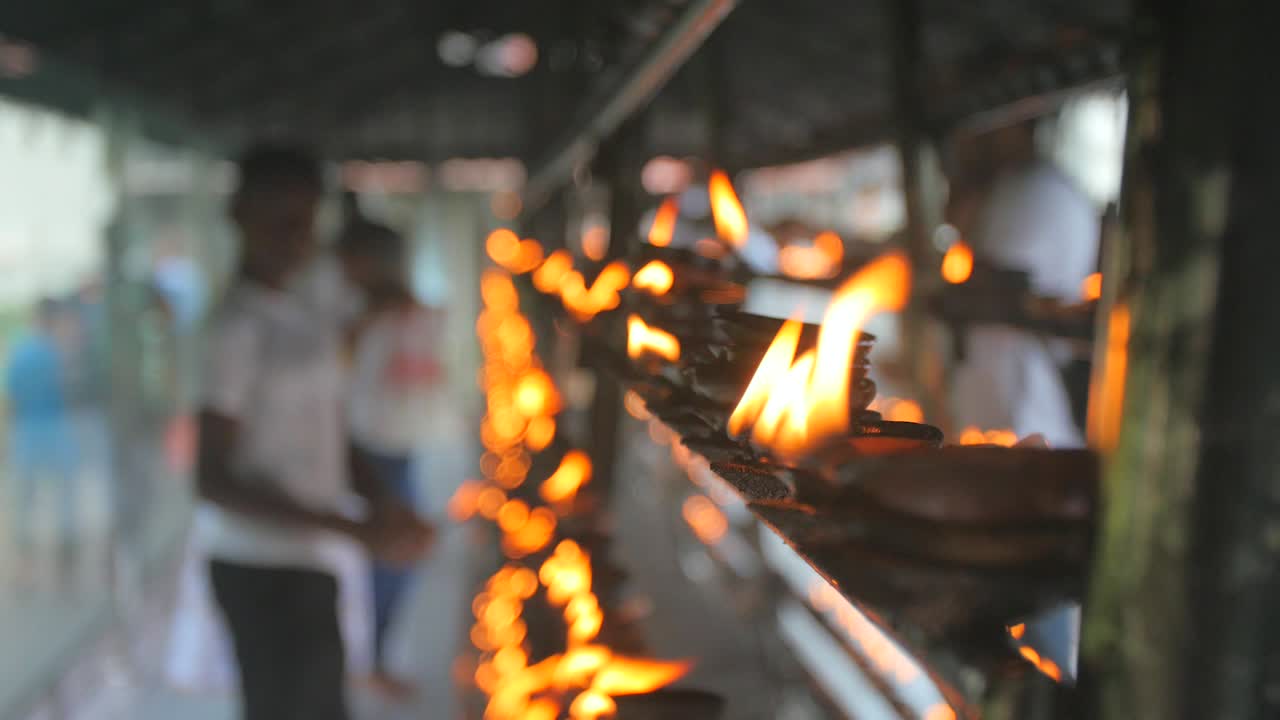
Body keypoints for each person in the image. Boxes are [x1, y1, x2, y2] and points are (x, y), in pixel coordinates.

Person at [196, 143, 433, 720]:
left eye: (303, 220)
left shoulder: (299, 314)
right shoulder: (234, 328)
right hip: (259, 564)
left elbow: (329, 428)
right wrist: (351, 528)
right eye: (276, 218)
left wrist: (380, 502)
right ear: (238, 215)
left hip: (309, 556)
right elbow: (212, 480)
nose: (293, 236)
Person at [337, 211, 447, 700]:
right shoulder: (351, 315)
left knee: (392, 554)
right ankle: (370, 659)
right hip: (366, 446)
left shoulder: (398, 314)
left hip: (392, 445)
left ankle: (373, 656)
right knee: (386, 554)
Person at [945, 118, 1099, 447]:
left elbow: (995, 281)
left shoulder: (1031, 190)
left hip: (1016, 395)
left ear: (1010, 129)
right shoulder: (1035, 186)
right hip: (1010, 392)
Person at [5, 298, 78, 549]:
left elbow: (10, 399)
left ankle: (24, 543)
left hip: (27, 432)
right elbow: (71, 395)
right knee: (64, 491)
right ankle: (67, 541)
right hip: (56, 431)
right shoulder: (59, 353)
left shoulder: (20, 353)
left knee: (26, 493)